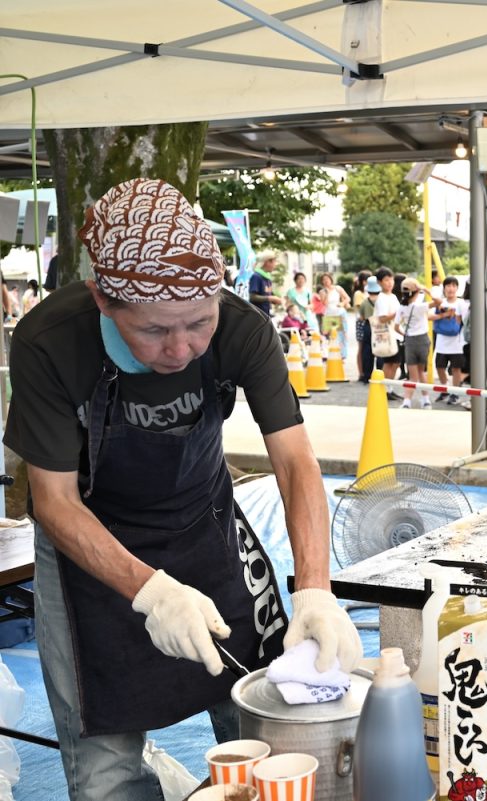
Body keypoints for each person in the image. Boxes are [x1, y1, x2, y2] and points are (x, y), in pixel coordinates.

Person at [4, 179, 361, 801]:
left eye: (199, 323)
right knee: (103, 769)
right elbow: (54, 502)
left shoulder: (243, 329)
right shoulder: (48, 342)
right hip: (90, 544)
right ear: (103, 300)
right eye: (153, 331)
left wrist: (315, 590)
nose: (181, 348)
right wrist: (149, 592)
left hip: (208, 527)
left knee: (271, 715)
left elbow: (298, 463)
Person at [398, 277, 438, 409]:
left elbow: (396, 327)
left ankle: (407, 401)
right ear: (416, 292)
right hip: (423, 340)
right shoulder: (420, 307)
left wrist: (405, 334)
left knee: (412, 375)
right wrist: (425, 289)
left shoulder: (402, 308)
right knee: (422, 373)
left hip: (410, 341)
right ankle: (426, 400)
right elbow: (438, 302)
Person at [431, 276, 469, 406]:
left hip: (457, 342)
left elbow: (466, 319)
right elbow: (429, 316)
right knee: (440, 366)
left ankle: (455, 392)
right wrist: (444, 314)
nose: (451, 288)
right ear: (444, 288)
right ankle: (444, 388)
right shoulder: (440, 303)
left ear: (457, 288)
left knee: (456, 368)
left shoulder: (461, 303)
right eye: (448, 286)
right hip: (441, 341)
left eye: (453, 286)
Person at [372, 268, 404, 399]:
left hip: (396, 333)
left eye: (391, 279)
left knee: (395, 362)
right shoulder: (382, 298)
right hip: (388, 334)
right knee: (389, 362)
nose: (390, 282)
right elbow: (382, 318)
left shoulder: (393, 296)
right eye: (386, 280)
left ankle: (389, 388)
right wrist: (398, 314)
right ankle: (384, 389)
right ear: (379, 282)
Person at [317, 272, 351, 363]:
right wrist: (327, 293)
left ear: (331, 279)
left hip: (340, 312)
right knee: (330, 336)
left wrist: (342, 303)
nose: (326, 281)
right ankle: (331, 355)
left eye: (327, 279)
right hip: (329, 314)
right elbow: (325, 303)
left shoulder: (338, 288)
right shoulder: (322, 292)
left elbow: (347, 298)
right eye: (323, 280)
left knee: (342, 335)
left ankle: (342, 356)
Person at [357, 275, 381, 383]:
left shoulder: (365, 302)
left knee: (367, 352)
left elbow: (361, 317)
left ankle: (367, 376)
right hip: (380, 326)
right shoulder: (381, 300)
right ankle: (381, 374)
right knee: (381, 350)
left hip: (368, 326)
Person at [248, 251, 283, 318]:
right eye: (274, 262)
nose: (275, 265)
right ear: (267, 262)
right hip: (257, 315)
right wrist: (270, 298)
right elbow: (252, 297)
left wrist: (276, 300)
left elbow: (269, 295)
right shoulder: (256, 277)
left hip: (266, 314)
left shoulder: (268, 278)